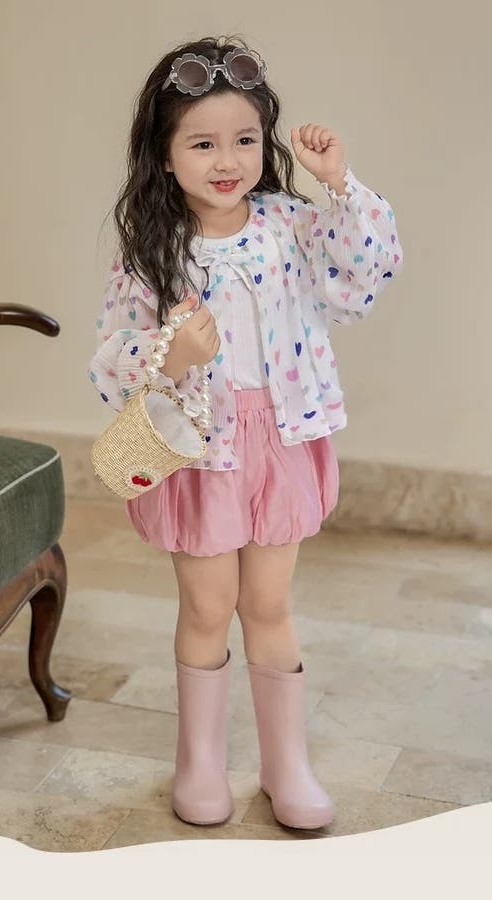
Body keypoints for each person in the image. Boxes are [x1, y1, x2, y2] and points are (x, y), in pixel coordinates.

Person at [88, 36, 403, 830]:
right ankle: (198, 763)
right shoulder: (152, 251)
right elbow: (110, 360)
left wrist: (339, 184)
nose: (226, 160)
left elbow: (365, 274)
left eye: (244, 139)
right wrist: (170, 355)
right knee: (207, 606)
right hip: (201, 451)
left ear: (265, 142)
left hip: (280, 440)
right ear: (165, 156)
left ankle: (285, 765)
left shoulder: (291, 224)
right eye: (202, 144)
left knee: (268, 601)